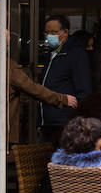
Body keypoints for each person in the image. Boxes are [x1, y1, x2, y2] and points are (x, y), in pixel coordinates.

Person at [0, 25, 75, 145]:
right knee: (1, 162)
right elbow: (33, 89)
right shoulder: (7, 66)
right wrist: (62, 99)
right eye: (8, 43)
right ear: (5, 42)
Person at [39, 14, 92, 143]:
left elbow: (83, 90)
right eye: (46, 32)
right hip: (48, 122)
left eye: (53, 32)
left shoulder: (75, 54)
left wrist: (77, 122)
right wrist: (40, 121)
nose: (49, 36)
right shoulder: (51, 54)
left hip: (65, 122)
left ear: (66, 32)